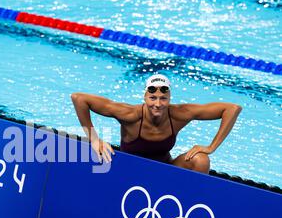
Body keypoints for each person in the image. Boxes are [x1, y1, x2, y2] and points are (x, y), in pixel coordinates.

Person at [71, 74, 242, 174]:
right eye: (152, 98)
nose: (158, 104)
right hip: (130, 171)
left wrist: (211, 147)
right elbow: (79, 99)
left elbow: (232, 109)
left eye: (163, 99)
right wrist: (94, 139)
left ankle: (188, 203)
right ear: (145, 97)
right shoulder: (130, 114)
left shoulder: (179, 115)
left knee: (201, 160)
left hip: (165, 172)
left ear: (169, 99)